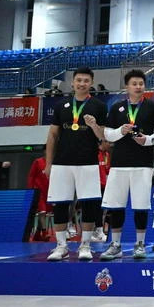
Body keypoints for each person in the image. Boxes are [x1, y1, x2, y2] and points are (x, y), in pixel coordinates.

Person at [88, 70, 154, 260]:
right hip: (119, 164)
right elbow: (107, 135)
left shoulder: (153, 107)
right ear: (126, 86)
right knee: (116, 206)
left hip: (143, 164)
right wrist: (120, 131)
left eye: (141, 83)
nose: (138, 87)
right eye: (134, 84)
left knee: (141, 206)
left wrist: (147, 140)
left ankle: (140, 244)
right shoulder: (116, 108)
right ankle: (116, 244)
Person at [44, 67, 108, 261]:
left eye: (86, 80)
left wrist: (93, 125)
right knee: (60, 204)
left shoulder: (99, 106)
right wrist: (49, 164)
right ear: (72, 83)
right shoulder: (61, 105)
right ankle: (61, 246)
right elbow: (53, 136)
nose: (82, 83)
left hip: (88, 162)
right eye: (79, 80)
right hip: (62, 163)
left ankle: (85, 245)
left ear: (91, 83)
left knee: (89, 204)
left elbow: (103, 140)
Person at [26, 155, 51, 241]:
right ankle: (44, 233)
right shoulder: (38, 162)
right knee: (42, 211)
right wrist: (30, 190)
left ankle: (37, 234)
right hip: (38, 191)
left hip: (48, 192)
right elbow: (31, 176)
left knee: (44, 213)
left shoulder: (54, 163)